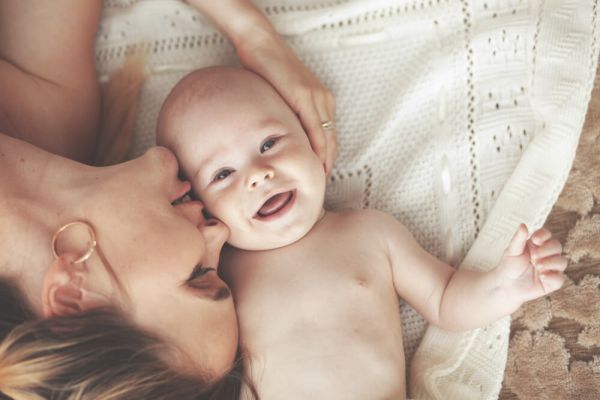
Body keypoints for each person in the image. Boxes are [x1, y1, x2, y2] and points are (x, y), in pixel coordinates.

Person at [156, 66, 568, 399]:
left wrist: (504, 286)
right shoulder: (220, 275)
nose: (258, 175)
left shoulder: (370, 233)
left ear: (313, 140)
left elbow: (446, 300)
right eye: (223, 174)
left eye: (269, 143)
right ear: (201, 208)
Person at [0, 0, 334, 398]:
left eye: (199, 275)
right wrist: (254, 34)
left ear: (73, 297)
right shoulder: (53, 120)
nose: (220, 232)